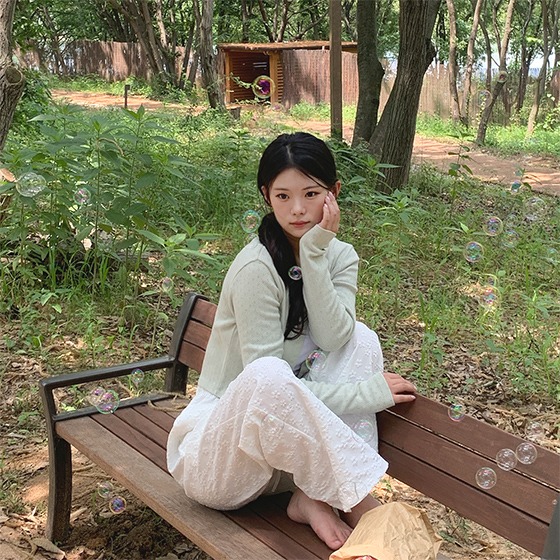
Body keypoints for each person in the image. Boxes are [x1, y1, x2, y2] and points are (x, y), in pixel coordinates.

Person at [167, 132, 417, 550]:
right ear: (267, 196)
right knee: (268, 372)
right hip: (223, 460)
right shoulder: (256, 269)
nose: (297, 209)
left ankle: (313, 497)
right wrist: (366, 394)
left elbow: (335, 337)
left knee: (360, 337)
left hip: (289, 461)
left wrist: (315, 255)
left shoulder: (340, 256)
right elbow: (267, 390)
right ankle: (357, 498)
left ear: (334, 194)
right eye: (283, 196)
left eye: (311, 194)